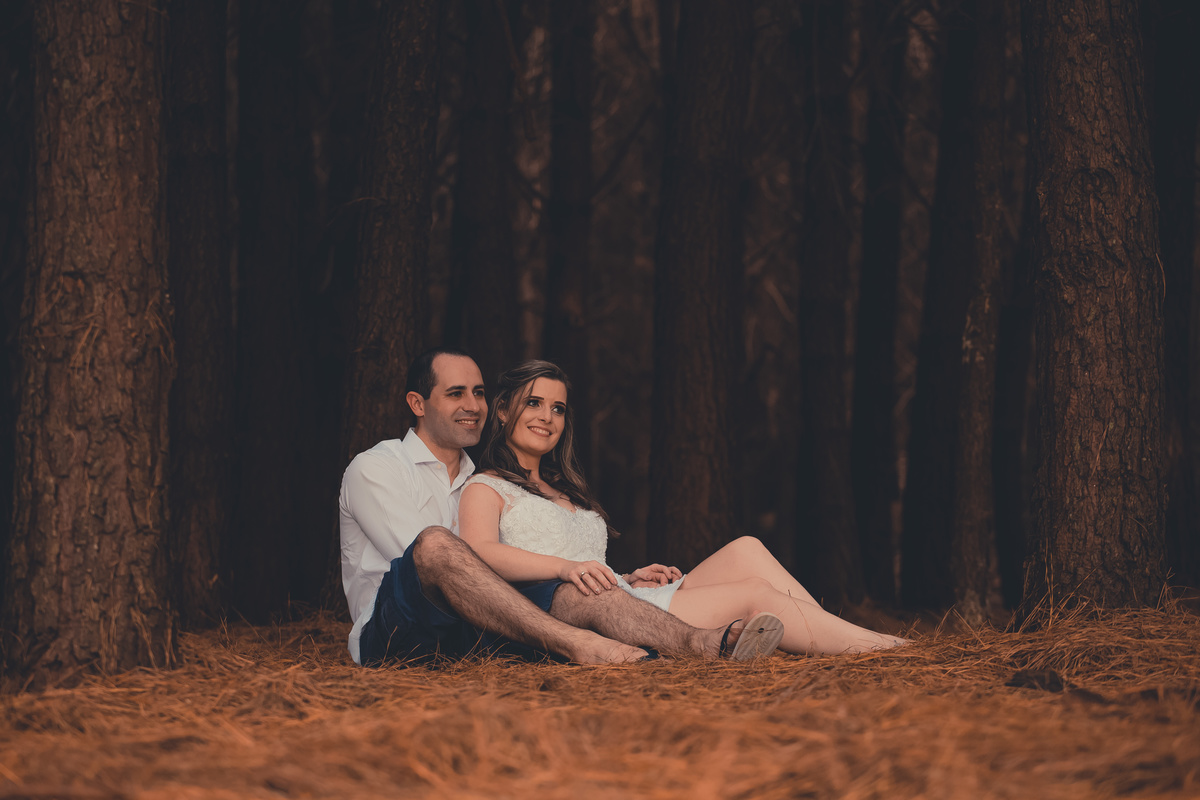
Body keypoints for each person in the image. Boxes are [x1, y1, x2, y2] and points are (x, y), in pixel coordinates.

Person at [338, 347, 785, 667]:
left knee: (577, 592)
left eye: (477, 392)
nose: (472, 405)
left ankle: (704, 645)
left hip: (478, 632)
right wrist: (557, 570)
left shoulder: (482, 476)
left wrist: (614, 579)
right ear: (417, 403)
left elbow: (499, 573)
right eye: (455, 394)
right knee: (434, 544)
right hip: (399, 628)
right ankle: (577, 643)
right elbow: (433, 566)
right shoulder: (376, 468)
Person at [459, 360, 909, 657]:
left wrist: (628, 576)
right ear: (502, 411)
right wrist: (564, 567)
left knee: (746, 548)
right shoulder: (488, 485)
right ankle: (884, 650)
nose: (547, 417)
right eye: (534, 403)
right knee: (754, 594)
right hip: (583, 616)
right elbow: (479, 553)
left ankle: (832, 637)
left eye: (558, 408)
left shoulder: (563, 486)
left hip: (622, 596)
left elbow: (589, 563)